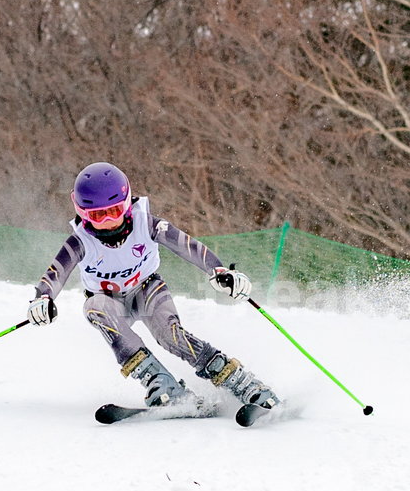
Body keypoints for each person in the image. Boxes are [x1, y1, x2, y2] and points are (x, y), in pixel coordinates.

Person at [28, 162, 279, 412]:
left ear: (127, 203)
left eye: (115, 211)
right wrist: (43, 298)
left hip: (147, 290)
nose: (107, 222)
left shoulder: (147, 224)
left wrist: (220, 271)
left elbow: (188, 246)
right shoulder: (81, 241)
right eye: (96, 215)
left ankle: (241, 382)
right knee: (94, 307)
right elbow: (56, 272)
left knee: (169, 336)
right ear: (81, 212)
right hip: (108, 300)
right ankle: (160, 382)